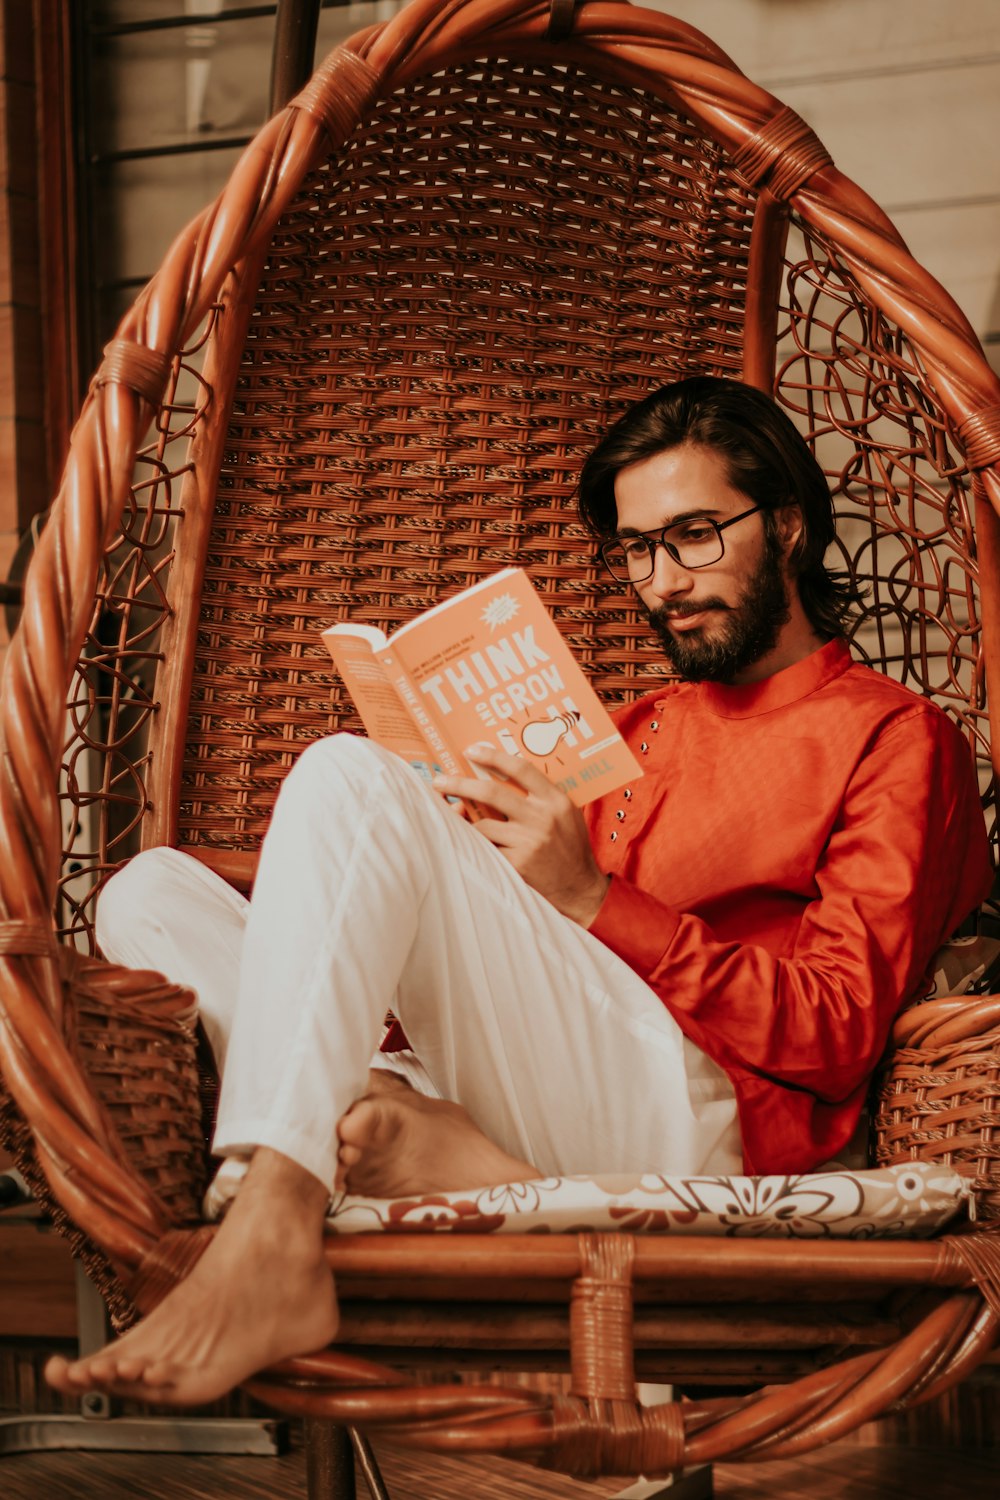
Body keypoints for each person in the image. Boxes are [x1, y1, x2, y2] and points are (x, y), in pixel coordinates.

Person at [45, 375, 991, 1407]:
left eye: (694, 535)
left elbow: (841, 1028)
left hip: (711, 1108)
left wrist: (589, 897)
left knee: (343, 773)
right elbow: (522, 957)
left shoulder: (897, 739)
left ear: (792, 527)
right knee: (150, 890)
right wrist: (435, 861)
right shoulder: (634, 734)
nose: (664, 580)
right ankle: (426, 1136)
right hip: (548, 1071)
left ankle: (276, 1212)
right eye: (638, 549)